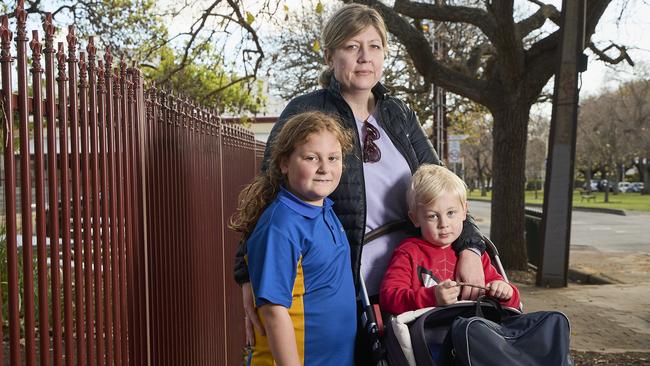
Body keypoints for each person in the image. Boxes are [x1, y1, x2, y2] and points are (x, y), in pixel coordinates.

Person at [234, 3, 487, 362]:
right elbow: (265, 196)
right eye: (352, 47)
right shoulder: (306, 112)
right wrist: (247, 276)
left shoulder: (399, 114)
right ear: (330, 55)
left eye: (374, 46)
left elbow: (443, 186)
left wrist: (471, 248)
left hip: (412, 279)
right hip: (346, 285)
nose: (364, 58)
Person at [230, 111, 357, 365]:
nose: (325, 168)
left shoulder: (324, 209)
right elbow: (273, 312)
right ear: (284, 163)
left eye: (333, 158)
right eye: (311, 158)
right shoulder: (281, 225)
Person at [380, 164, 520, 315]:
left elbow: (513, 303)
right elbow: (388, 299)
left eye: (451, 213)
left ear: (464, 212)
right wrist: (431, 297)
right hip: (431, 332)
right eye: (433, 216)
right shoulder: (409, 253)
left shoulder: (475, 257)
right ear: (415, 219)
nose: (444, 224)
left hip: (475, 328)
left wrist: (505, 292)